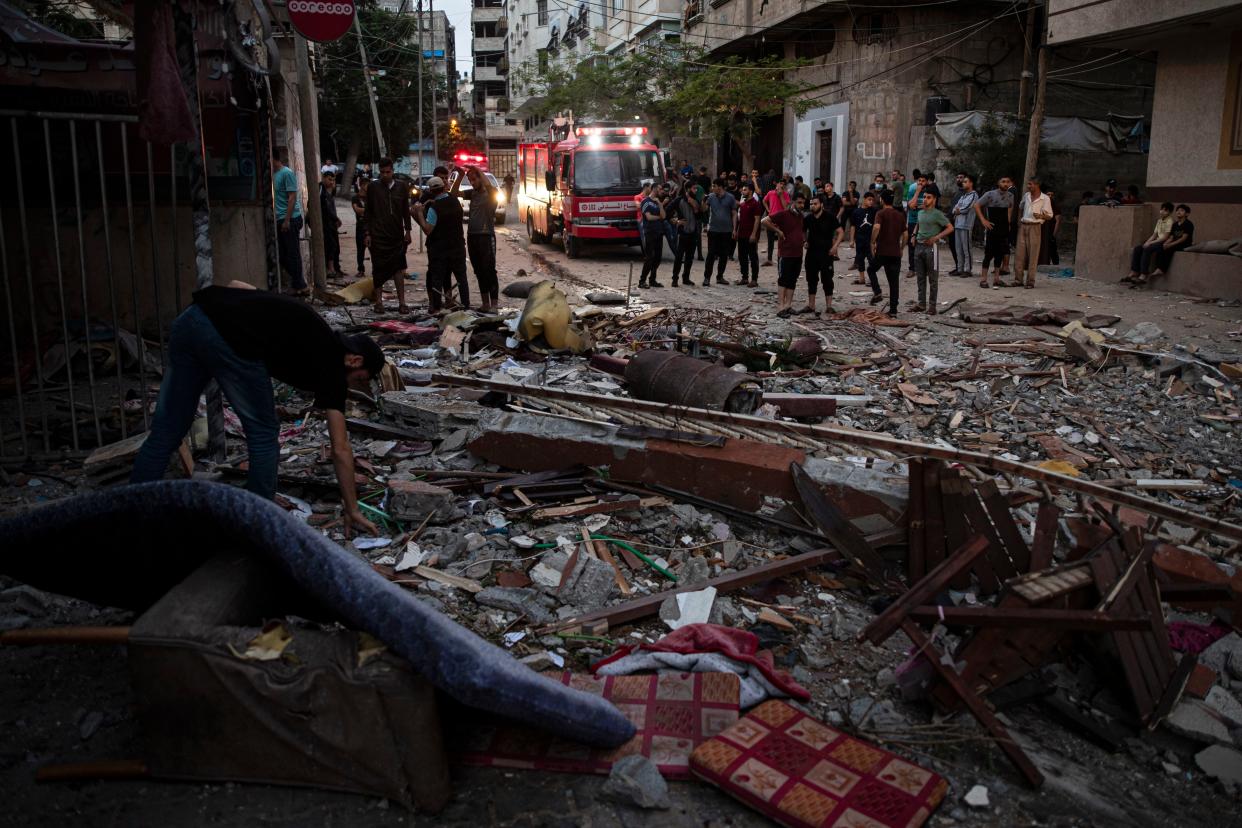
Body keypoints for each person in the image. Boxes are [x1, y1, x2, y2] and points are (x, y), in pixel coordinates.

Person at [130, 282, 383, 537]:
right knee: (263, 433)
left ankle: (131, 516)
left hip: (193, 318)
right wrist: (352, 508)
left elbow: (238, 286)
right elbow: (340, 447)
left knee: (167, 429)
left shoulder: (316, 331)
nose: (355, 385)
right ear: (354, 359)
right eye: (361, 378)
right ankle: (256, 526)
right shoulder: (332, 366)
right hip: (230, 340)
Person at [411, 176, 469, 312]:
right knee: (462, 278)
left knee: (437, 279)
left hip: (440, 249)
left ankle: (437, 308)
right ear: (444, 187)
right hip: (458, 247)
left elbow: (428, 229)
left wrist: (419, 213)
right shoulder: (455, 201)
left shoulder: (434, 208)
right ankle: (466, 307)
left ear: (431, 191)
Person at [364, 158, 412, 314]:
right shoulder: (373, 187)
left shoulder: (402, 187)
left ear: (393, 171)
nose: (385, 175)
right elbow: (368, 212)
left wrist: (408, 231)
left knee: (398, 269)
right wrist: (367, 233)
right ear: (379, 171)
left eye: (388, 172)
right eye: (382, 172)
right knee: (378, 269)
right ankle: (379, 303)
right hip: (378, 235)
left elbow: (406, 210)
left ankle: (402, 303)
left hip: (396, 235)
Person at [456, 166, 500, 312]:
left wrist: (477, 169)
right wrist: (460, 175)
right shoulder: (472, 194)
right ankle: (485, 303)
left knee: (489, 270)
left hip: (486, 236)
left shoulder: (490, 194)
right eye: (470, 180)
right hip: (472, 236)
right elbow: (454, 193)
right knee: (479, 270)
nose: (472, 183)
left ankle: (494, 305)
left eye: (474, 179)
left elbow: (489, 186)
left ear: (481, 178)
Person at [762, 194, 807, 318]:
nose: (801, 205)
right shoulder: (783, 214)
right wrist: (778, 231)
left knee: (793, 280)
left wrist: (804, 240)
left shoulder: (801, 216)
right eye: (799, 202)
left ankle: (788, 305)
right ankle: (780, 307)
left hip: (797, 253)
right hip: (785, 253)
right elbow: (764, 221)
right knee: (783, 280)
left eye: (803, 203)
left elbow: (801, 231)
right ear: (793, 202)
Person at [909, 191, 952, 314]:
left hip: (931, 247)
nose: (925, 200)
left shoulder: (937, 214)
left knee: (933, 278)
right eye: (924, 197)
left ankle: (932, 305)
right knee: (920, 277)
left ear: (934, 199)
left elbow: (950, 228)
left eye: (928, 197)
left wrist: (937, 237)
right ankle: (921, 303)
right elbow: (918, 223)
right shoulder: (920, 212)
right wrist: (913, 235)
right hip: (919, 246)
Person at [802, 193, 844, 316]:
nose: (813, 206)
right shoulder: (808, 218)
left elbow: (840, 232)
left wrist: (835, 247)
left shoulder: (830, 217)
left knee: (827, 279)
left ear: (821, 204)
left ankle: (829, 306)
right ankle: (811, 305)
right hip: (811, 254)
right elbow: (803, 231)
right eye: (811, 204)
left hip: (826, 254)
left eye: (815, 204)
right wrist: (805, 241)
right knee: (811, 279)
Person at [272, 150, 306, 295]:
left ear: (274, 158)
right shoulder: (274, 175)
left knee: (292, 253)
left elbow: (292, 197)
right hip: (281, 218)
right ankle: (299, 283)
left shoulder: (286, 173)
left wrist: (287, 220)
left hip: (291, 218)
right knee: (283, 255)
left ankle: (300, 285)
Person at [868, 191, 907, 315]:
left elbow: (876, 227)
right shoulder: (900, 215)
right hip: (895, 252)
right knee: (893, 282)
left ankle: (877, 291)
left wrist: (872, 242)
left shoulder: (880, 213)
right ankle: (893, 310)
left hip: (882, 251)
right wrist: (901, 248)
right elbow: (905, 234)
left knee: (871, 269)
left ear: (882, 200)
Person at [1138, 204, 1194, 288]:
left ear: (1187, 214)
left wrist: (1170, 244)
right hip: (1174, 242)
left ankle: (1161, 269)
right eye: (1177, 210)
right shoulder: (1175, 224)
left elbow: (1183, 238)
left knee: (1169, 249)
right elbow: (1171, 237)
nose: (1179, 212)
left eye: (1182, 210)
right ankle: (1157, 268)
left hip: (1184, 244)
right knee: (1161, 247)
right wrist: (1166, 243)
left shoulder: (1188, 224)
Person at [974, 176, 1015, 288]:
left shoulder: (1011, 196)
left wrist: (1008, 221)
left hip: (1004, 228)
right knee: (989, 253)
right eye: (1003, 181)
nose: (1006, 184)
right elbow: (976, 205)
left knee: (1000, 253)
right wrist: (983, 220)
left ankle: (997, 279)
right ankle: (983, 279)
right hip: (992, 227)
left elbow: (1010, 208)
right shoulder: (990, 194)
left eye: (1008, 182)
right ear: (998, 183)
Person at [1014, 177, 1053, 289]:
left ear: (1037, 185)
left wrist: (1041, 216)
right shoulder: (1026, 195)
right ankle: (1018, 279)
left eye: (1030, 184)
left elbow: (1050, 216)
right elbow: (1021, 206)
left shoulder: (1045, 198)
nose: (1028, 186)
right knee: (1019, 254)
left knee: (1033, 255)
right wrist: (1019, 220)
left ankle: (1030, 281)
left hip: (1035, 226)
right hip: (1024, 225)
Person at [1121, 201, 1174, 285]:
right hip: (1156, 240)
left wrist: (1151, 243)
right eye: (1162, 209)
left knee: (1148, 249)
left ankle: (1143, 274)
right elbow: (1154, 234)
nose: (1162, 211)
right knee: (1138, 248)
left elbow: (1165, 237)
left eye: (1165, 210)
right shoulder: (1159, 221)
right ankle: (1134, 271)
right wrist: (1147, 242)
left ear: (1170, 212)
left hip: (1162, 242)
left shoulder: (1170, 221)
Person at [702, 178, 738, 286]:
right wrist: (703, 201)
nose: (712, 188)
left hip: (726, 231)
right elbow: (704, 210)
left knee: (724, 255)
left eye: (714, 186)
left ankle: (720, 277)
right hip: (713, 230)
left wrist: (734, 229)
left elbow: (734, 213)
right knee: (711, 254)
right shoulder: (711, 197)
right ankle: (707, 278)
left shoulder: (730, 197)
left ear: (720, 187)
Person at [669, 181, 702, 288]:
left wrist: (695, 207)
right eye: (693, 188)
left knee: (689, 257)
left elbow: (700, 216)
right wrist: (675, 221)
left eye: (696, 189)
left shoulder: (696, 200)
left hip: (693, 233)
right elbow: (667, 212)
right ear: (687, 189)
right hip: (682, 234)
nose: (695, 190)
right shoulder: (678, 200)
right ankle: (675, 279)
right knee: (679, 257)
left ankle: (686, 278)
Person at [637, 181, 667, 289]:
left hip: (659, 232)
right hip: (650, 233)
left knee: (658, 258)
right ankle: (642, 280)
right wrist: (659, 217)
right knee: (649, 257)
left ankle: (652, 280)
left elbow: (664, 215)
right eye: (659, 189)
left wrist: (659, 204)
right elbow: (649, 217)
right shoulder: (646, 202)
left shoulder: (657, 202)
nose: (661, 191)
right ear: (654, 189)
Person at [949, 173, 979, 277]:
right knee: (958, 248)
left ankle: (968, 269)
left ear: (971, 183)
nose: (963, 183)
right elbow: (955, 208)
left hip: (966, 224)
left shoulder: (974, 195)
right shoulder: (963, 196)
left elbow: (966, 209)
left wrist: (958, 210)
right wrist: (957, 211)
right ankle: (960, 268)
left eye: (966, 181)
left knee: (966, 248)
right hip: (958, 224)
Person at [848, 191, 879, 288]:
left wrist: (876, 241)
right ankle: (862, 279)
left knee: (871, 259)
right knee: (860, 259)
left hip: (870, 240)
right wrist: (852, 240)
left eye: (872, 200)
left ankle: (872, 279)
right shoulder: (856, 212)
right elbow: (853, 226)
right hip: (859, 239)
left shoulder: (874, 211)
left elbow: (876, 226)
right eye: (869, 200)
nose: (871, 202)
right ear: (864, 199)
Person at [735, 182, 763, 287]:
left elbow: (757, 220)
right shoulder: (743, 204)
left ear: (750, 191)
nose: (743, 192)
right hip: (741, 234)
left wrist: (753, 234)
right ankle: (745, 277)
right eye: (743, 190)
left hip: (750, 235)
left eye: (745, 190)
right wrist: (737, 231)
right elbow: (740, 220)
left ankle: (754, 279)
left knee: (753, 257)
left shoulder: (755, 204)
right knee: (742, 257)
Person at [762, 178, 791, 267]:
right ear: (777, 184)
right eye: (780, 183)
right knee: (770, 240)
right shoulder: (770, 193)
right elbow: (764, 201)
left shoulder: (786, 194)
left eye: (783, 184)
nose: (781, 185)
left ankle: (781, 258)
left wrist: (781, 195)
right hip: (771, 219)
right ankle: (769, 259)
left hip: (781, 220)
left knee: (781, 239)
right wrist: (768, 209)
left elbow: (786, 207)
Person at [319, 171, 343, 277]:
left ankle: (336, 268)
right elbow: (324, 207)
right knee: (330, 245)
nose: (331, 182)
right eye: (329, 179)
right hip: (325, 222)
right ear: (323, 178)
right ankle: (330, 269)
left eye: (333, 180)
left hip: (331, 223)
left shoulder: (330, 190)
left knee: (335, 246)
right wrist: (336, 218)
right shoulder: (320, 188)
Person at [1038, 188, 1062, 267]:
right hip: (1043, 230)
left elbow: (1058, 220)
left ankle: (1056, 264)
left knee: (1052, 248)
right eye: (1048, 194)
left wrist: (1054, 233)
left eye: (1052, 195)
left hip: (1051, 231)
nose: (1050, 196)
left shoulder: (1056, 207)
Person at [351, 176, 369, 278]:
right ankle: (360, 269)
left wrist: (363, 210)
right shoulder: (355, 197)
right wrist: (368, 210)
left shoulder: (371, 197)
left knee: (373, 248)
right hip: (360, 226)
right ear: (362, 185)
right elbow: (356, 210)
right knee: (360, 249)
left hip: (370, 225)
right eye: (367, 185)